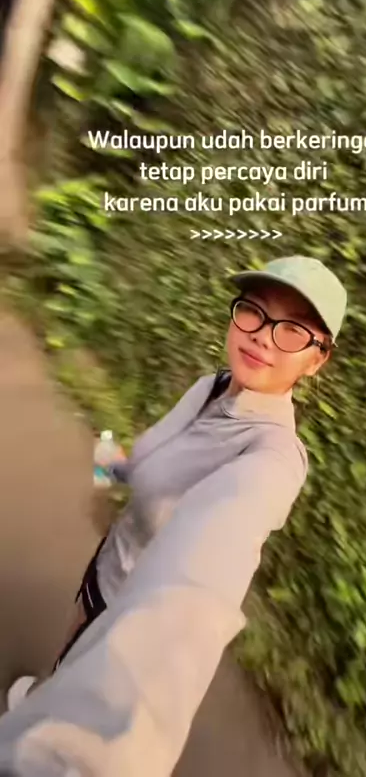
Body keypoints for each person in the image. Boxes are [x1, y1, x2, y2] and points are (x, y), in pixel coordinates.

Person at [1, 254, 347, 776]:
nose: (262, 335)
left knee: (87, 664)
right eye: (253, 311)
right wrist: (107, 465)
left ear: (317, 360)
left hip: (130, 608)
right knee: (68, 657)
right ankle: (42, 698)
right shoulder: (211, 386)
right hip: (103, 570)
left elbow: (196, 586)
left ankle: (44, 726)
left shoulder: (273, 459)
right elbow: (145, 462)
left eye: (294, 330)